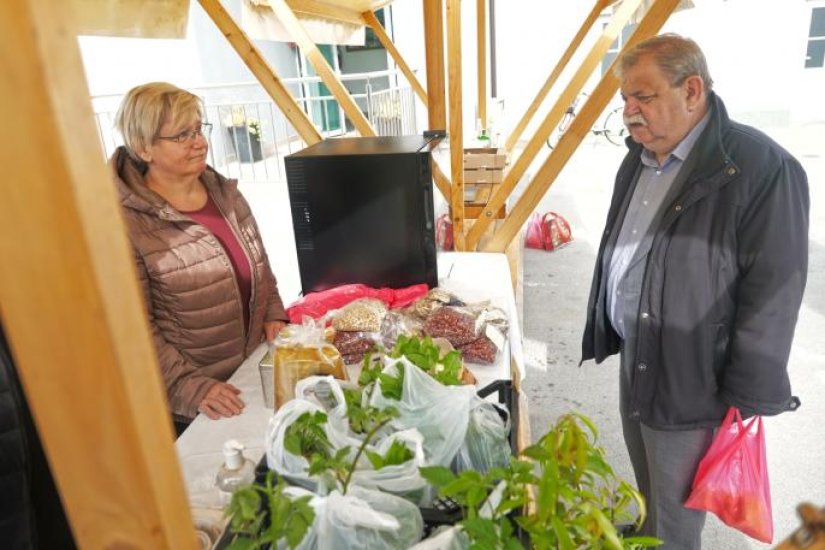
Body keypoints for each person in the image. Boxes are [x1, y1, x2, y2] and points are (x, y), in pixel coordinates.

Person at [581, 34, 808, 548]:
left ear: (691, 89)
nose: (628, 112)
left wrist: (746, 393)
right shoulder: (639, 156)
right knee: (650, 493)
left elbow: (775, 291)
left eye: (643, 96)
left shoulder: (763, 169)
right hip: (635, 355)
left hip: (692, 375)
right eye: (624, 99)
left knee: (678, 517)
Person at [112, 82, 287, 433]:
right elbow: (134, 329)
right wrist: (191, 387)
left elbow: (260, 265)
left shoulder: (225, 193)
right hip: (194, 406)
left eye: (198, 128)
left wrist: (273, 313)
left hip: (250, 376)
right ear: (143, 147)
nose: (200, 141)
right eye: (181, 135)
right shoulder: (123, 223)